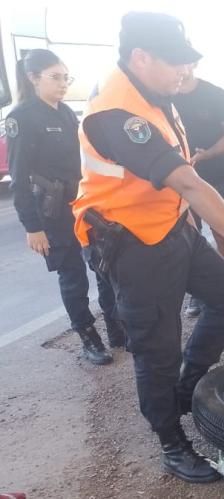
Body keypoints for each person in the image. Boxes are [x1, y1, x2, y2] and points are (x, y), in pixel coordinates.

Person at [72, 12, 224, 483]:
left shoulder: (155, 93)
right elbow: (187, 181)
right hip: (133, 247)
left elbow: (178, 176)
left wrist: (197, 228)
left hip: (171, 228)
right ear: (140, 57)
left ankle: (187, 387)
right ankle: (171, 442)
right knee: (156, 349)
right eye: (176, 64)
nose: (185, 72)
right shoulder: (116, 111)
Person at [6, 48, 122, 365]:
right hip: (54, 213)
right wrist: (33, 227)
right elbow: (18, 177)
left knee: (104, 266)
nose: (63, 84)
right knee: (73, 278)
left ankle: (117, 330)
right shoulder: (22, 117)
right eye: (55, 77)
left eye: (65, 77)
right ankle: (89, 338)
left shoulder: (65, 113)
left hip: (83, 206)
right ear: (33, 78)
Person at [172, 63, 224, 317]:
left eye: (183, 61)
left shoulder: (214, 93)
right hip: (179, 182)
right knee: (190, 240)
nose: (179, 68)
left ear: (192, 63)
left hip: (216, 177)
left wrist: (206, 155)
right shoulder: (164, 95)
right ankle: (200, 294)